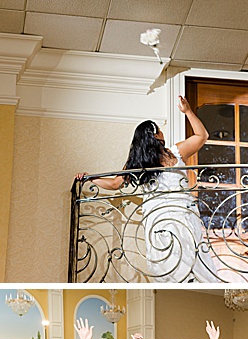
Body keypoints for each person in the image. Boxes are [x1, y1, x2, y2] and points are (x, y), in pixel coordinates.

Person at [76, 95, 217, 283]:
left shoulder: (173, 153)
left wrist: (188, 112)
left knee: (189, 252)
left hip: (182, 214)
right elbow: (114, 184)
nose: (163, 133)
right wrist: (90, 178)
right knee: (171, 258)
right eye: (160, 129)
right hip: (162, 217)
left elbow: (202, 136)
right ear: (155, 135)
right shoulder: (143, 162)